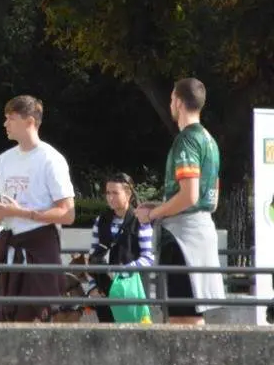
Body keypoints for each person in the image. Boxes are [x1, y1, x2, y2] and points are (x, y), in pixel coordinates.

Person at [136, 78, 225, 325]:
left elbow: (189, 195)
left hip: (183, 239)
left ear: (177, 101)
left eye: (171, 99)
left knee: (181, 316)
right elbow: (211, 199)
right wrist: (162, 206)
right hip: (201, 231)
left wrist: (154, 214)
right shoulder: (210, 140)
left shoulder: (186, 140)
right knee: (193, 313)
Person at [0, 95, 76, 322]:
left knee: (37, 316)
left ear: (29, 121)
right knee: (8, 315)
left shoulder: (51, 159)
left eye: (11, 118)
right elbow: (7, 203)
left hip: (40, 246)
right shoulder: (5, 159)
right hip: (11, 243)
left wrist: (23, 213)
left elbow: (68, 213)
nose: (5, 124)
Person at [87, 173, 154, 323]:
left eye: (115, 193)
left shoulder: (140, 220)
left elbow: (148, 258)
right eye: (108, 193)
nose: (110, 197)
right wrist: (92, 288)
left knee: (135, 337)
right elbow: (92, 256)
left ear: (128, 194)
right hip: (104, 292)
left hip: (131, 291)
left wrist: (121, 272)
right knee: (107, 338)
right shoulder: (101, 220)